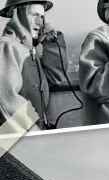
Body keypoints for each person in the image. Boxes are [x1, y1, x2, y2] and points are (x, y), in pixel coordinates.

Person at [0, 0, 67, 130]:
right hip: (16, 140)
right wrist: (33, 131)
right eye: (34, 15)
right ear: (17, 15)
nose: (40, 22)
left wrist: (51, 43)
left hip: (32, 136)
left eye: (42, 16)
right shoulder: (7, 47)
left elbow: (55, 77)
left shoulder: (29, 51)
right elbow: (6, 98)